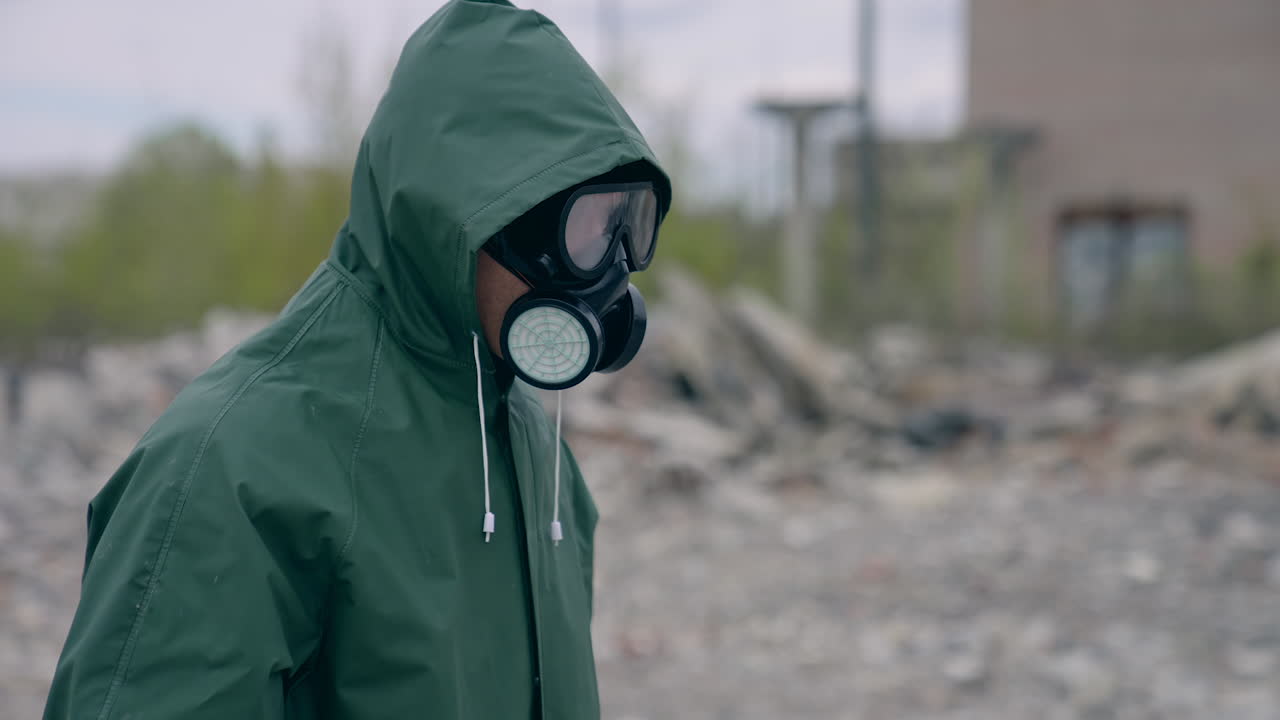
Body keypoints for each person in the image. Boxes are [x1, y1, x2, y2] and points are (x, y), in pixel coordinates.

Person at [43, 1, 670, 718]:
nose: (612, 273)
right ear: (471, 215)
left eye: (630, 224)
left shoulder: (530, 442)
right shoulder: (229, 472)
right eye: (589, 227)